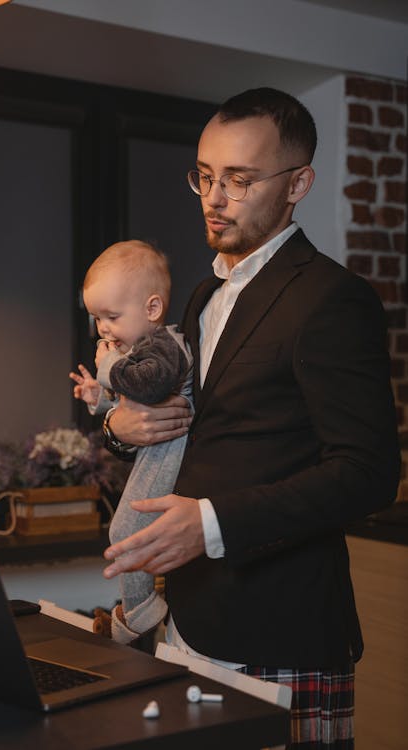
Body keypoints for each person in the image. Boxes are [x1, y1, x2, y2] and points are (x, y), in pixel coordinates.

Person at [99, 88, 400, 749]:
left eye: (238, 180)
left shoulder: (332, 299)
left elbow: (370, 473)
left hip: (280, 627)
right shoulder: (204, 292)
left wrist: (209, 524)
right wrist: (118, 431)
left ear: (298, 184)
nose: (214, 197)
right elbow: (192, 425)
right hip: (191, 616)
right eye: (205, 176)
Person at [70, 240, 193, 644]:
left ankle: (137, 619)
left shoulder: (164, 346)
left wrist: (107, 368)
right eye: (96, 319)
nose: (103, 329)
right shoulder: (138, 349)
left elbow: (149, 384)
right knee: (125, 533)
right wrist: (98, 397)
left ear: (152, 309)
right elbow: (130, 397)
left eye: (112, 316)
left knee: (127, 533)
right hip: (152, 453)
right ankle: (137, 613)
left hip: (169, 452)